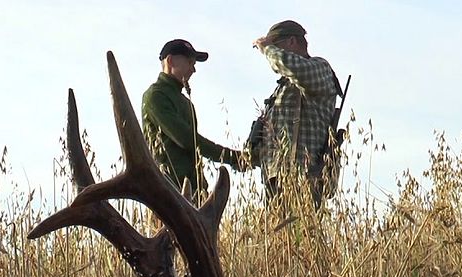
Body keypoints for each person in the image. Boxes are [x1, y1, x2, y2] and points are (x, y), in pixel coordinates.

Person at [142, 39, 248, 203]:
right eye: (190, 62)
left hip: (194, 189)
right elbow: (187, 140)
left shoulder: (186, 103)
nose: (194, 69)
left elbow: (193, 148)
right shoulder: (156, 96)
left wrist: (201, 186)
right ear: (170, 61)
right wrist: (233, 158)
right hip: (168, 188)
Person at [251, 20, 342, 208]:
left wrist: (266, 48)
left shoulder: (319, 68)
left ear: (291, 42)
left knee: (303, 233)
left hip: (305, 177)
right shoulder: (285, 87)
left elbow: (293, 67)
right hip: (277, 178)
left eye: (276, 46)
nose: (272, 52)